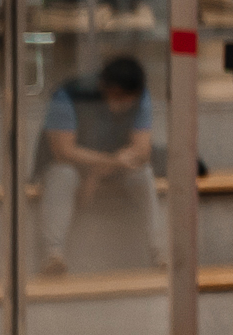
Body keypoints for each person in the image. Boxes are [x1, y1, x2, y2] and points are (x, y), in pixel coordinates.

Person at [35, 56, 164, 275]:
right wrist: (111, 161)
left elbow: (141, 150)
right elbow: (64, 151)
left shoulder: (141, 95)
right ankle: (53, 254)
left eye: (128, 98)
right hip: (68, 166)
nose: (122, 103)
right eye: (117, 96)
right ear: (104, 86)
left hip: (109, 168)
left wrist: (96, 174)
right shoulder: (68, 94)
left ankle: (159, 252)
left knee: (143, 173)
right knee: (64, 174)